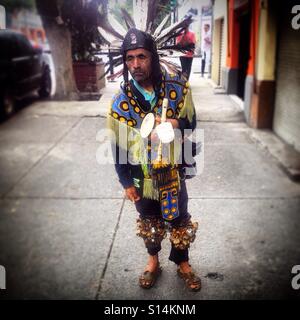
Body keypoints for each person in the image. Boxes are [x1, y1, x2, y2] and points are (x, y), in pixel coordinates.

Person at [107, 28, 201, 292]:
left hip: (173, 171)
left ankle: (183, 263)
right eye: (129, 58)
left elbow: (192, 122)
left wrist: (174, 122)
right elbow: (117, 146)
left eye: (142, 57)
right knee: (149, 220)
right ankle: (153, 262)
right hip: (141, 176)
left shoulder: (176, 87)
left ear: (153, 57)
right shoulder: (121, 100)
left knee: (179, 217)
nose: (135, 64)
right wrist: (126, 181)